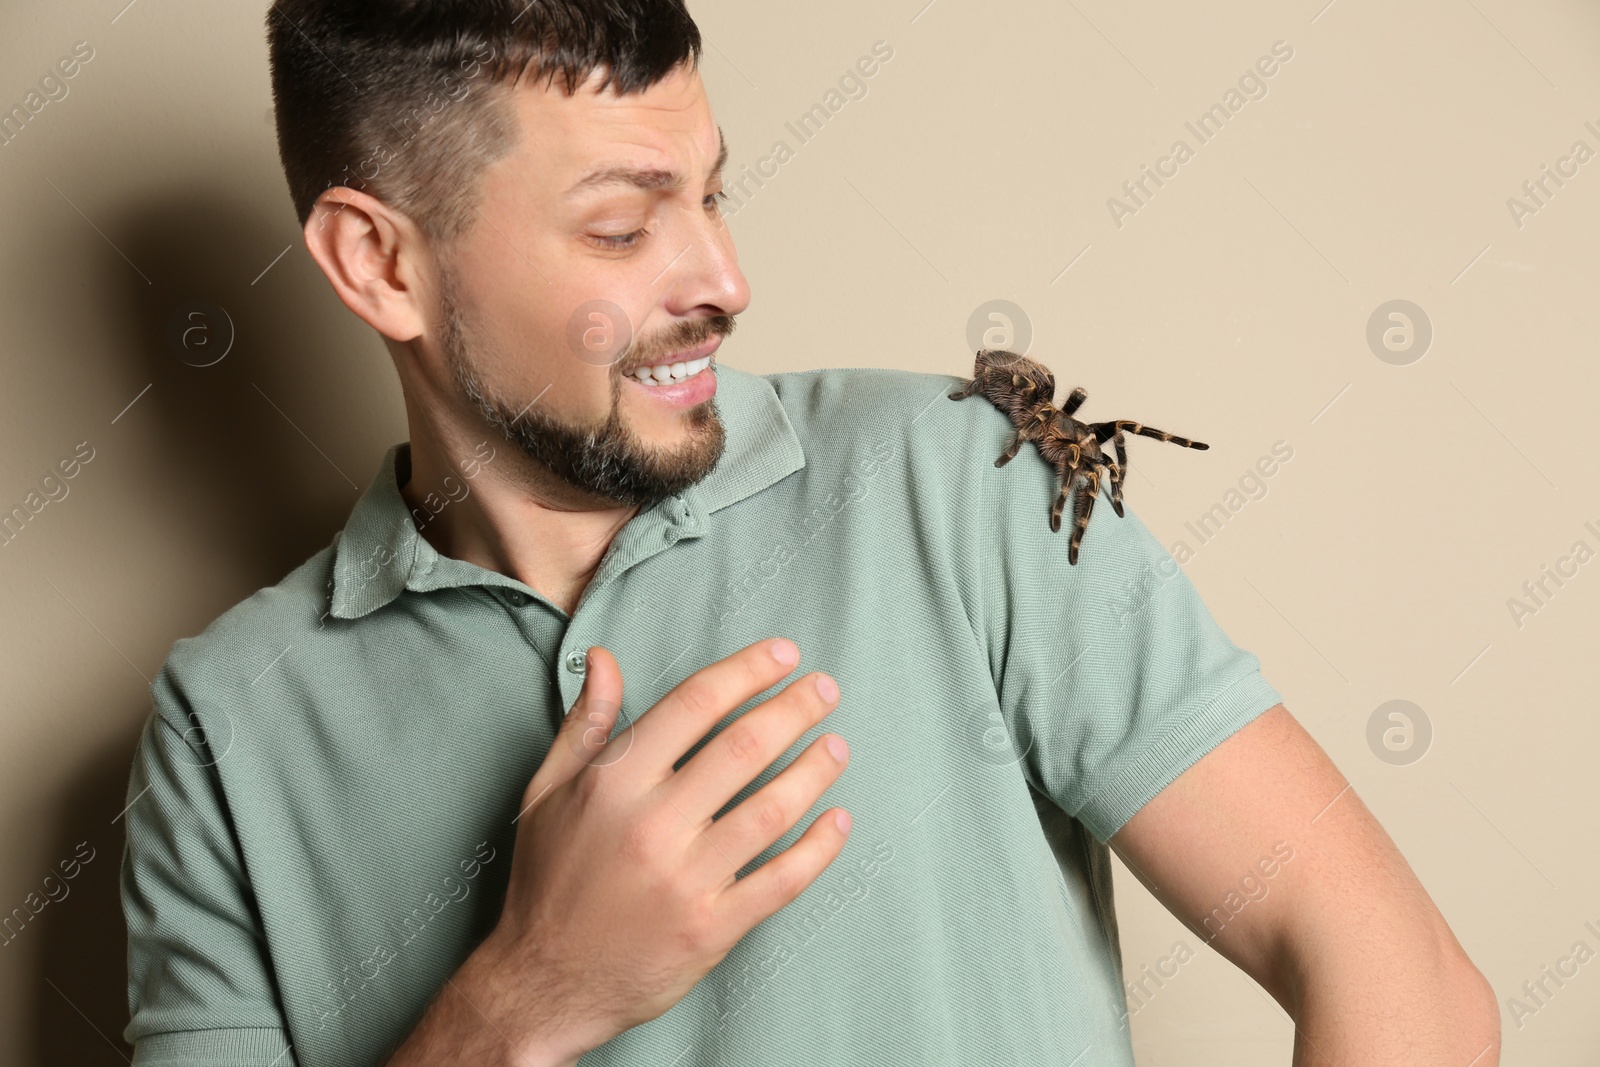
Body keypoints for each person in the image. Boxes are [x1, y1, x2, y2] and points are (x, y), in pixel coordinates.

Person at [119, 2, 1500, 1065]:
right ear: (380, 264)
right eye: (620, 227)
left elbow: (1398, 976)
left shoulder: (958, 482)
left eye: (710, 192)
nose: (725, 280)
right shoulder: (221, 731)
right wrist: (525, 995)